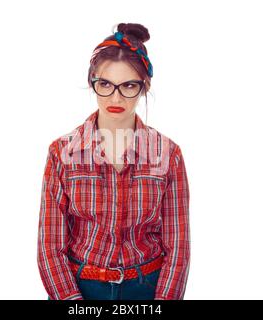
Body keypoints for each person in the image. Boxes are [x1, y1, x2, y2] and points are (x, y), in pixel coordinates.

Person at [37, 23, 190, 300]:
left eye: (129, 85)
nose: (115, 97)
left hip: (146, 288)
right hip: (80, 286)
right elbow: (50, 246)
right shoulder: (62, 153)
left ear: (144, 87)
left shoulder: (168, 154)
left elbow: (177, 246)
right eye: (105, 84)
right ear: (92, 82)